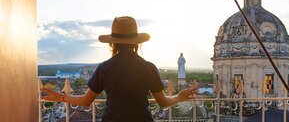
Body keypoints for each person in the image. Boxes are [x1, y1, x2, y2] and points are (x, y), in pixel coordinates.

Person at [41, 16, 197, 122]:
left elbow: (86, 101)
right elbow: (162, 102)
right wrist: (179, 97)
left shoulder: (104, 68)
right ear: (137, 43)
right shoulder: (148, 68)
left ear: (112, 43)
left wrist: (61, 97)